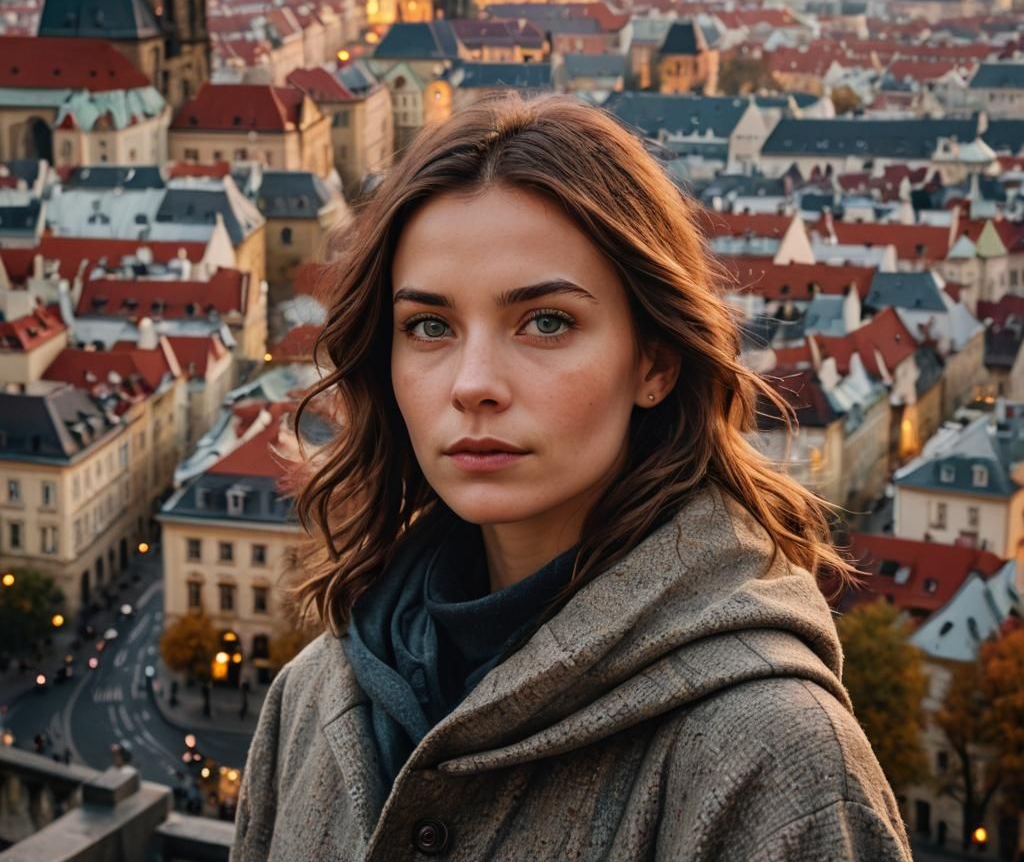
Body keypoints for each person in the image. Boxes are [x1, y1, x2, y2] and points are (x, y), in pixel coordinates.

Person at [232, 93, 913, 861]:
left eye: (546, 322)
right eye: (430, 326)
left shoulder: (774, 758)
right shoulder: (312, 698)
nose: (473, 383)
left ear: (654, 361)